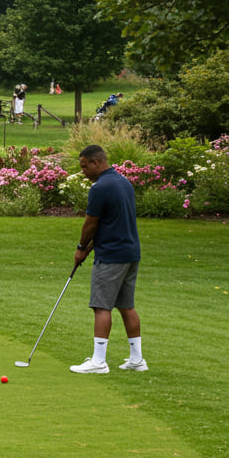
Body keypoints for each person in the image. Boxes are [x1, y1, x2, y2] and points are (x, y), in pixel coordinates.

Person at [70, 144, 146, 374]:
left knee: (101, 306)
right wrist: (89, 248)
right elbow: (109, 223)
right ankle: (137, 360)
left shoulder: (100, 187)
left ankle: (99, 362)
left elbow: (91, 223)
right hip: (130, 253)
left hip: (111, 256)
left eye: (85, 166)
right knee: (126, 306)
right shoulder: (124, 182)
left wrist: (82, 247)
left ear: (96, 162)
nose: (83, 171)